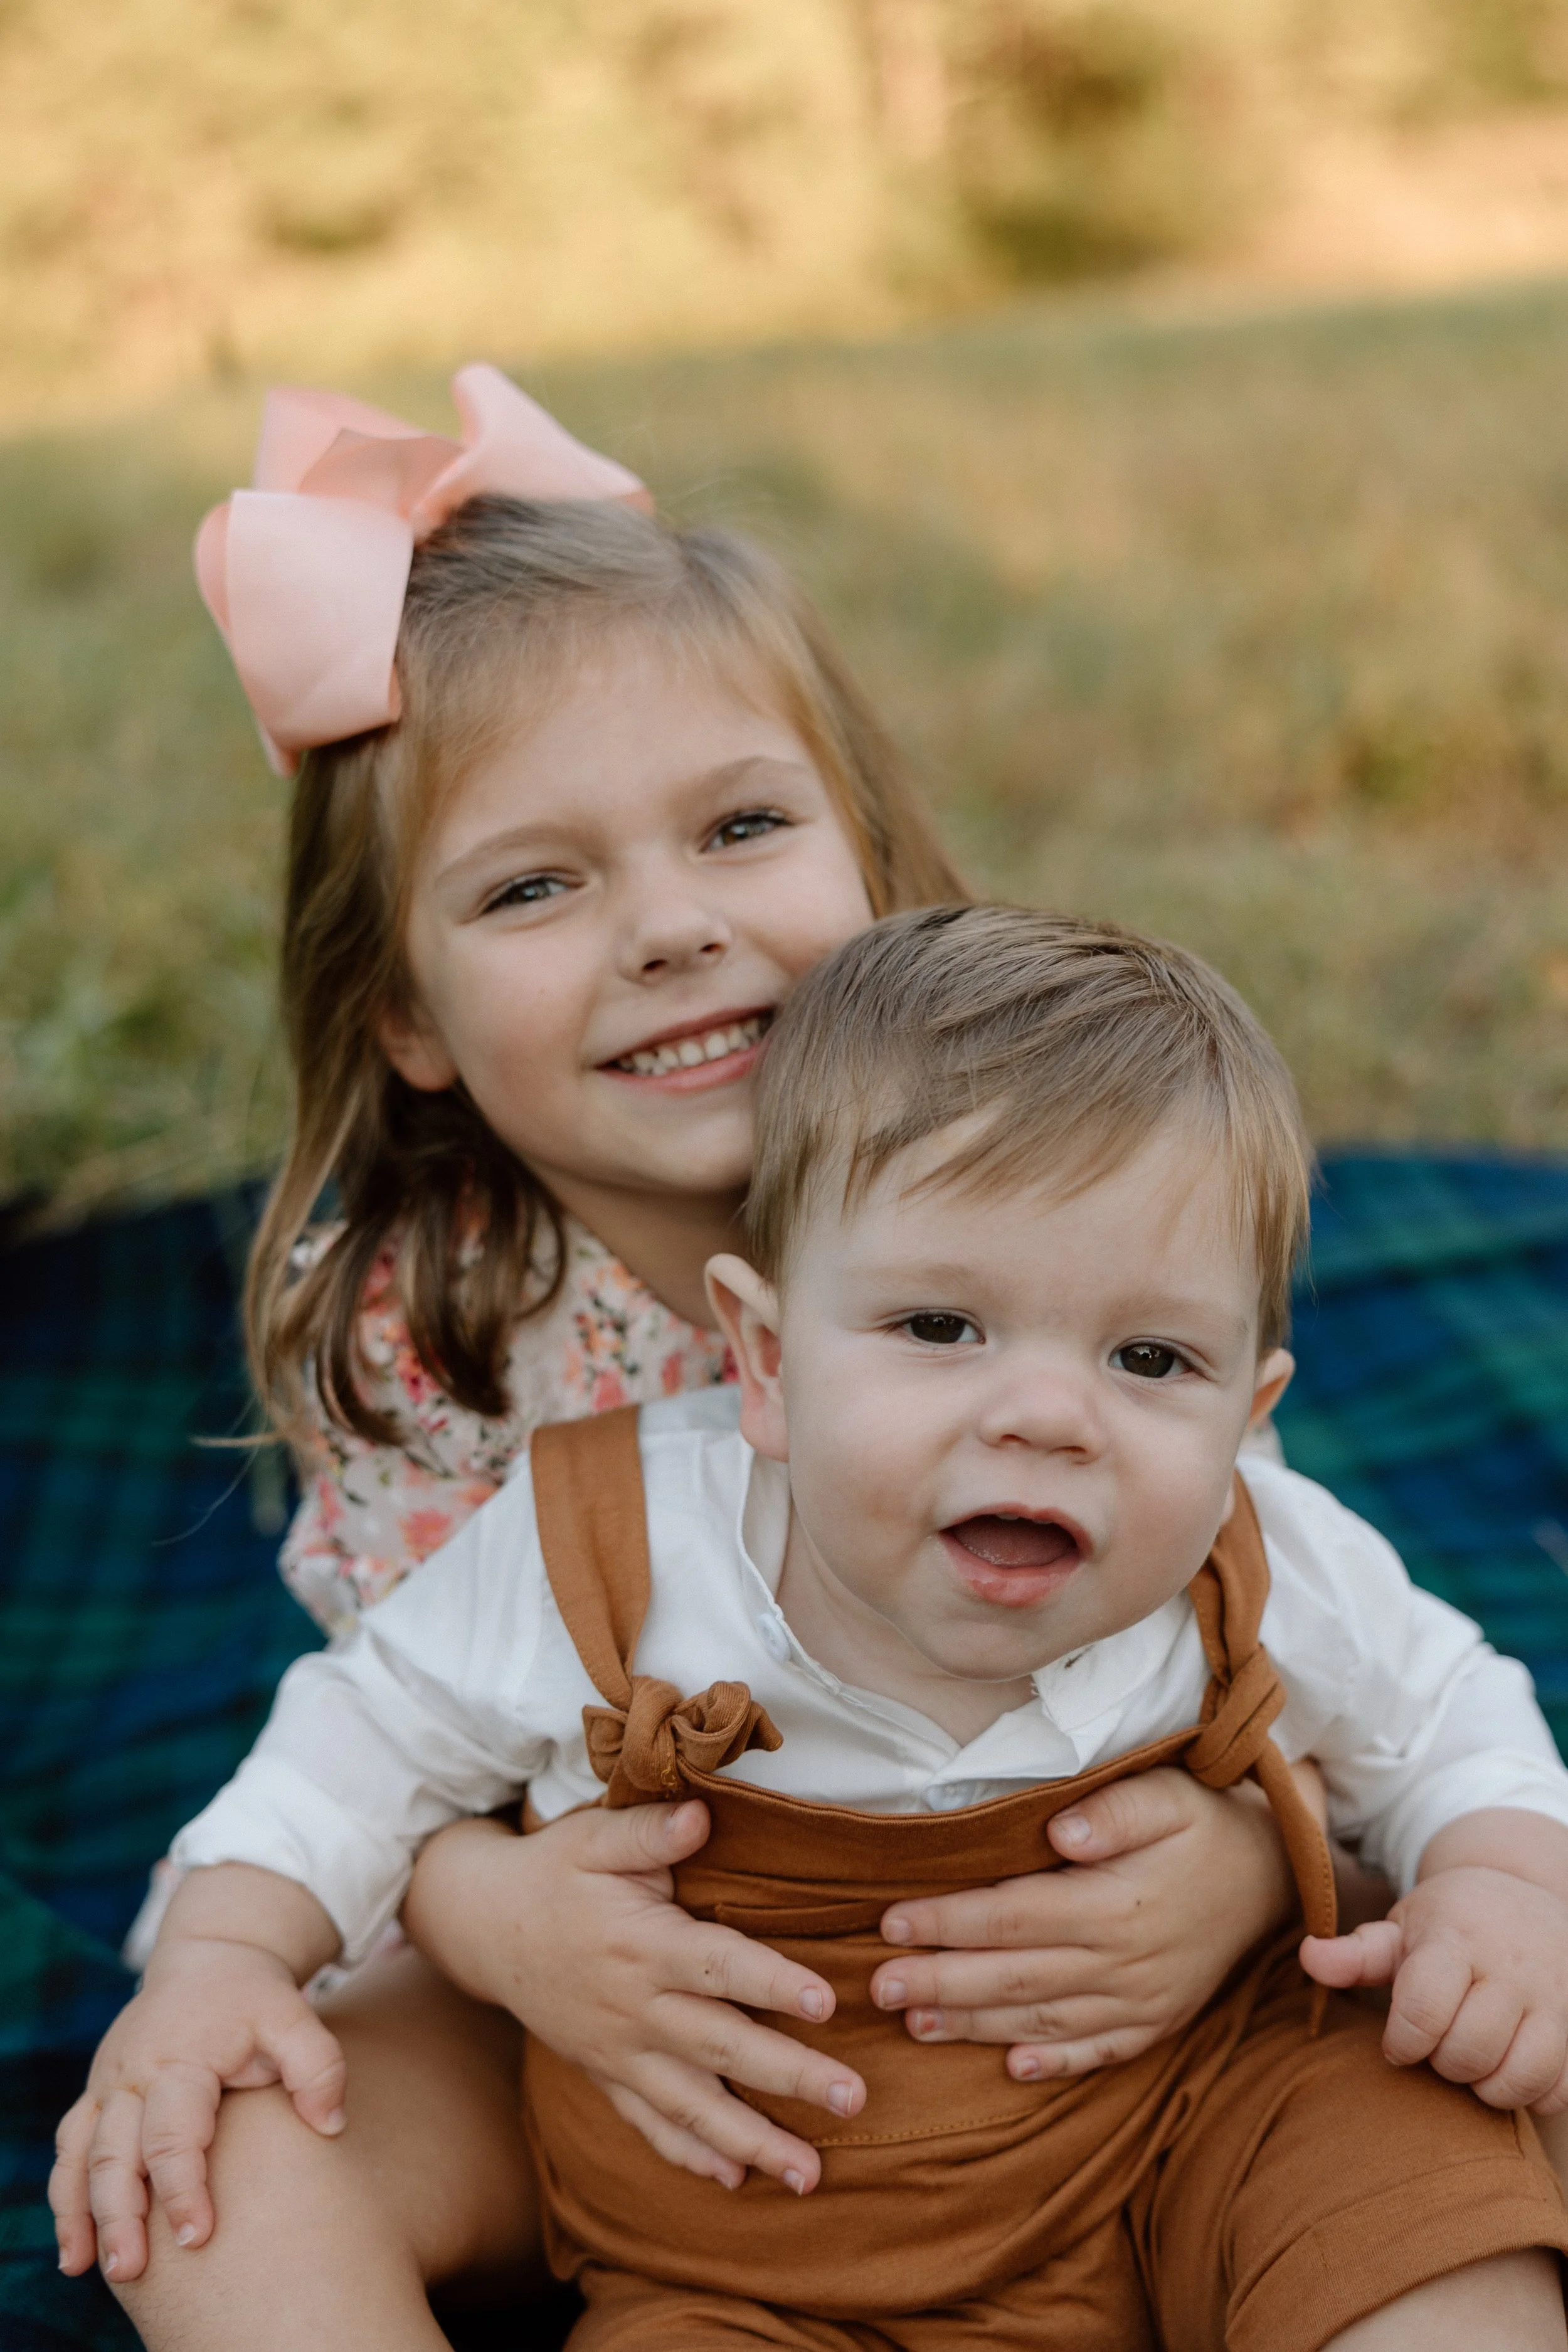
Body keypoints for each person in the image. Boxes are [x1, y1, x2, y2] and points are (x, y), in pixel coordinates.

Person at [55, 372, 1365, 2340]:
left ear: (867, 856)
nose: (669, 927)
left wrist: (1260, 1870)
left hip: (1051, 1976)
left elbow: (1289, 1632)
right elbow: (393, 1743)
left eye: (740, 825)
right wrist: (488, 1922)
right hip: (638, 2021)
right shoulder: (432, 1319)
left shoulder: (1054, 1172)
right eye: (533, 884)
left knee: (1464, 2016)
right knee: (206, 2148)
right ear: (401, 1008)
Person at [64, 907, 1568, 2349]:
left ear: (1247, 1415)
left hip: (1192, 2133)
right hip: (743, 2247)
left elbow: (1452, 1716)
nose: (1046, 1415)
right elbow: (354, 1742)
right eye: (937, 1328)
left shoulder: (1260, 1558)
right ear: (767, 1361)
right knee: (206, 2162)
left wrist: (1501, 1884)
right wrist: (224, 1957)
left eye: (1149, 1356)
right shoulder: (614, 1546)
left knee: (1435, 2177)